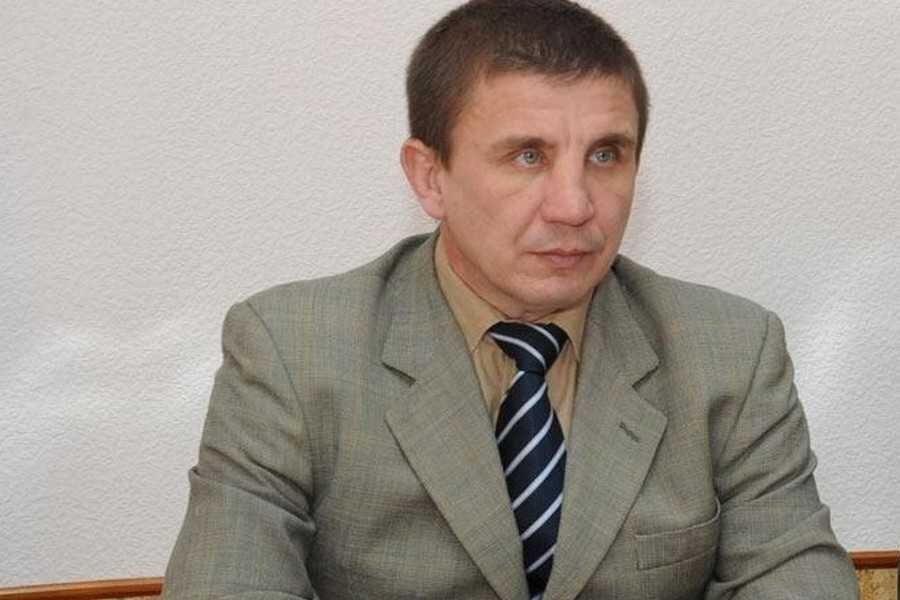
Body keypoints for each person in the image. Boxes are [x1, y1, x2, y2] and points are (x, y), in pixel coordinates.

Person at [162, 1, 859, 598]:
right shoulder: (291, 352)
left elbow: (796, 580)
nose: (575, 205)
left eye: (606, 155)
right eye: (528, 156)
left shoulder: (731, 353)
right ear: (430, 177)